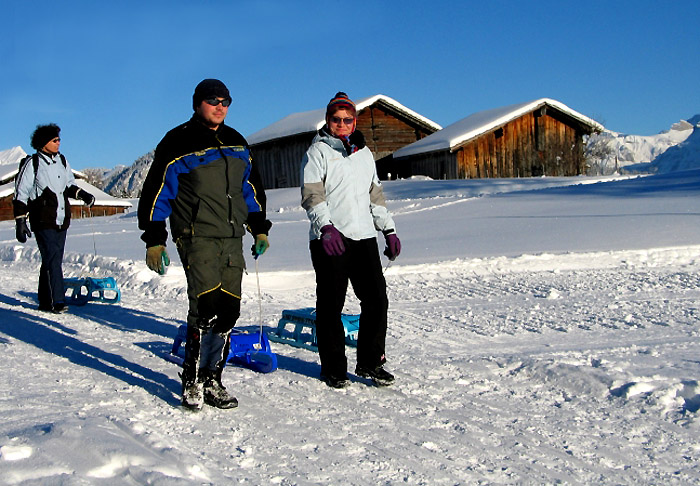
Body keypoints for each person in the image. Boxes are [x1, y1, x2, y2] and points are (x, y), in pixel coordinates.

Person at [138, 79, 272, 411]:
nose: (220, 106)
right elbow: (157, 192)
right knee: (205, 305)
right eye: (213, 100)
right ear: (198, 103)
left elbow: (250, 190)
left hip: (231, 237)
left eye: (226, 101)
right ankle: (192, 380)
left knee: (229, 309)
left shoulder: (236, 141)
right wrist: (155, 240)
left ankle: (213, 377)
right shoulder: (178, 141)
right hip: (195, 234)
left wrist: (259, 228)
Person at [300, 92, 402, 388]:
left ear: (354, 121)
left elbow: (375, 195)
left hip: (364, 236)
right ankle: (333, 367)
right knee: (331, 304)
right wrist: (325, 226)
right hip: (330, 237)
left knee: (376, 300)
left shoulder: (364, 154)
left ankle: (370, 362)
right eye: (336, 119)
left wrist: (389, 229)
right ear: (328, 120)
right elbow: (312, 194)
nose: (341, 124)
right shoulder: (317, 152)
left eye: (347, 119)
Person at [13, 124, 96, 314]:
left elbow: (68, 185)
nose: (59, 143)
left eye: (59, 139)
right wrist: (20, 220)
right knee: (52, 259)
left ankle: (45, 300)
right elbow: (21, 192)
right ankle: (58, 300)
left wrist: (82, 194)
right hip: (42, 219)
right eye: (54, 140)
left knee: (52, 259)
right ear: (44, 143)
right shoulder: (33, 163)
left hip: (61, 218)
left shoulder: (62, 161)